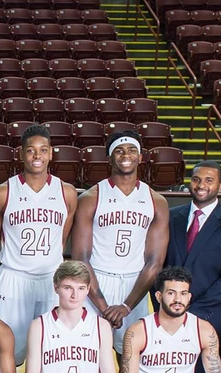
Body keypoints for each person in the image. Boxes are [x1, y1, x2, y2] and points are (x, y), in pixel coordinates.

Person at [69, 130, 170, 351]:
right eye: (119, 150)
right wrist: (104, 306)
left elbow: (155, 262)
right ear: (109, 158)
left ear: (140, 157)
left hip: (136, 284)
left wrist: (126, 306)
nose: (126, 155)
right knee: (89, 353)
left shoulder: (156, 201)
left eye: (132, 150)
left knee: (130, 355)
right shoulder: (90, 198)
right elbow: (81, 258)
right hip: (96, 280)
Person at [0, 124, 78, 364]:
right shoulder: (3, 192)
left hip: (50, 280)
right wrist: (10, 267)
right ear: (21, 154)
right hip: (13, 279)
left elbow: (62, 239)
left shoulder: (67, 193)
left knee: (50, 353)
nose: (37, 156)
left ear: (51, 153)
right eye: (31, 150)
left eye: (43, 150)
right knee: (7, 353)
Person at [164, 160, 221, 373]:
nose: (201, 185)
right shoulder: (172, 217)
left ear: (220, 185)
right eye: (196, 179)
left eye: (209, 180)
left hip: (211, 316)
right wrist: (167, 303)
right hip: (169, 315)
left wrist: (192, 309)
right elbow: (159, 265)